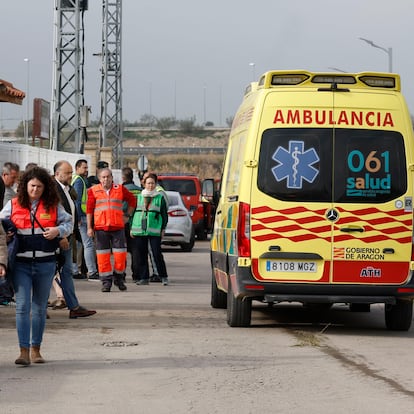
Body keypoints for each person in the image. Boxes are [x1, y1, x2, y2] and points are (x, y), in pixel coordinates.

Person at [0, 166, 72, 366]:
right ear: (25, 186)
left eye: (39, 186)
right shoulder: (12, 205)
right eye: (32, 186)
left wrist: (58, 230)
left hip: (45, 263)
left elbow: (69, 223)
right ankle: (23, 351)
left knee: (39, 308)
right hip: (21, 264)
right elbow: (0, 226)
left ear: (45, 187)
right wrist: (6, 236)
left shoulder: (53, 205)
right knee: (22, 307)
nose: (35, 190)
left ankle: (35, 349)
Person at [52, 161, 96, 319]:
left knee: (66, 272)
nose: (71, 176)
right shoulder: (52, 190)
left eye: (71, 172)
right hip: (58, 239)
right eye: (68, 173)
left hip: (68, 237)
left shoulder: (67, 189)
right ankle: (39, 308)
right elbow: (51, 215)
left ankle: (74, 306)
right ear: (57, 174)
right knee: (48, 273)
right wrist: (61, 235)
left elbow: (71, 211)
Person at [86, 167, 136, 292]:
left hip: (118, 227)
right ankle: (106, 282)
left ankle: (119, 278)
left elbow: (132, 201)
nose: (106, 179)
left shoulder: (119, 189)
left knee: (120, 256)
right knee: (103, 257)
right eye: (103, 177)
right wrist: (89, 227)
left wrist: (127, 216)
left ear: (112, 178)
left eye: (108, 176)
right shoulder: (93, 190)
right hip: (101, 228)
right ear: (99, 179)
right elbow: (89, 210)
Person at [130, 172, 169, 286]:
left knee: (157, 254)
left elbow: (164, 215)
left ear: (155, 184)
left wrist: (163, 229)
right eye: (148, 183)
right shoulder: (139, 197)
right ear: (144, 184)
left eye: (152, 183)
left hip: (154, 230)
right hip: (139, 230)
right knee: (142, 254)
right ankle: (144, 277)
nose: (150, 185)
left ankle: (163, 276)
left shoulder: (159, 198)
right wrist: (132, 228)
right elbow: (132, 214)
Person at [71, 159, 98, 280]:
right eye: (84, 168)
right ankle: (92, 271)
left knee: (78, 244)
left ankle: (76, 270)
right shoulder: (79, 181)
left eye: (87, 168)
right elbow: (77, 200)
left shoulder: (76, 179)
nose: (86, 170)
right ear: (77, 168)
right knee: (88, 244)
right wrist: (78, 217)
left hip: (80, 216)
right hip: (82, 216)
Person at [121, 167, 141, 281]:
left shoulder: (122, 190)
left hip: (124, 223)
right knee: (135, 250)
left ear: (123, 177)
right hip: (137, 223)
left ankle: (121, 274)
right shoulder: (139, 190)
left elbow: (122, 207)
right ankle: (136, 275)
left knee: (122, 250)